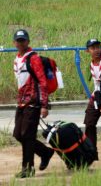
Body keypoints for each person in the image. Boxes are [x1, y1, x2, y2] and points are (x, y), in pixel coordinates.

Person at [12, 29, 54, 178]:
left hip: (34, 102)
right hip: (22, 102)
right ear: (14, 43)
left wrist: (44, 104)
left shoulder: (33, 58)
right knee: (18, 134)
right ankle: (45, 152)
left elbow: (42, 82)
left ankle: (27, 169)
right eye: (18, 40)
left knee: (27, 135)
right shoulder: (17, 59)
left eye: (23, 40)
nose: (21, 43)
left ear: (28, 41)